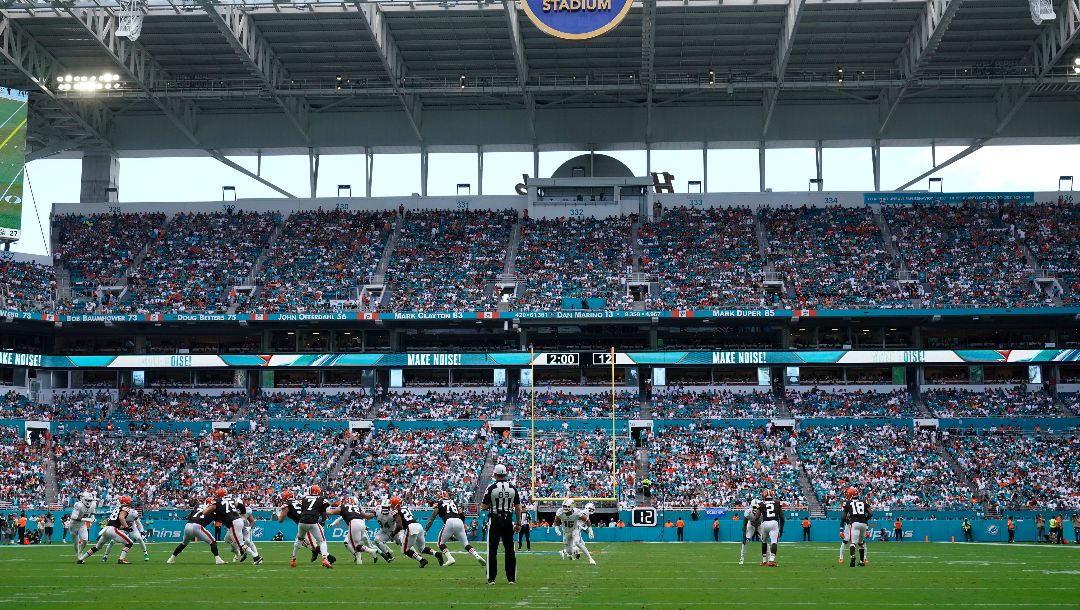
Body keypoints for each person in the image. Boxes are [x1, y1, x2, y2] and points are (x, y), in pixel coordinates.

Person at [480, 464, 522, 585]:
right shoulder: (513, 488)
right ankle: (511, 578)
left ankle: (491, 578)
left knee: (492, 550)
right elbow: (518, 507)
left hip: (495, 519)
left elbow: (483, 506)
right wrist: (518, 522)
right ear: (505, 474)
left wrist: (491, 505)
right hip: (508, 519)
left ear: (495, 474)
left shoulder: (491, 487)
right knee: (510, 550)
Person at [424, 491, 486, 567]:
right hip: (459, 521)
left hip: (449, 521)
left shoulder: (438, 504)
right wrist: (463, 524)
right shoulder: (453, 502)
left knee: (440, 543)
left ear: (440, 496)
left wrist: (426, 529)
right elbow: (462, 515)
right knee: (466, 544)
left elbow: (432, 518)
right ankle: (477, 556)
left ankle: (450, 558)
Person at [166, 496, 226, 565]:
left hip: (188, 525)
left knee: (183, 544)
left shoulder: (198, 506)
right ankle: (218, 559)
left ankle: (171, 559)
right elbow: (219, 518)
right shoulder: (212, 510)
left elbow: (188, 517)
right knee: (212, 541)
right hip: (197, 526)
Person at [211, 488, 264, 565]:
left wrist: (249, 527)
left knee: (247, 542)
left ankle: (256, 556)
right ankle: (240, 552)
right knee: (227, 540)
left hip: (243, 527)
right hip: (235, 526)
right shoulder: (231, 508)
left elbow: (252, 521)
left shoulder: (246, 510)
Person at [77, 496, 135, 564]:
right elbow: (121, 518)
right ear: (126, 502)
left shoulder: (117, 508)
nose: (131, 502)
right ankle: (121, 559)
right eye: (130, 501)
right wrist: (126, 527)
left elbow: (115, 522)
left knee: (97, 547)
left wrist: (124, 527)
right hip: (112, 529)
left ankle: (81, 559)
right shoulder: (125, 508)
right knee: (130, 543)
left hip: (106, 529)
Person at [842, 487, 871, 568]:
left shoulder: (848, 502)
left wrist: (841, 528)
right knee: (861, 543)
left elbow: (843, 517)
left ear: (850, 495)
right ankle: (861, 561)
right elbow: (871, 513)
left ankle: (852, 557)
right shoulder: (864, 501)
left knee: (853, 543)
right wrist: (865, 519)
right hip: (864, 524)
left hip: (855, 523)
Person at [755, 491, 784, 567]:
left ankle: (764, 561)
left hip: (764, 523)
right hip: (774, 523)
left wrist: (756, 527)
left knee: (764, 542)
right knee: (774, 542)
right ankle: (771, 560)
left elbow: (756, 517)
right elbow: (782, 518)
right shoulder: (777, 503)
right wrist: (781, 529)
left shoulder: (761, 504)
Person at [70, 491, 98, 560]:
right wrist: (87, 519)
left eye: (90, 500)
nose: (89, 502)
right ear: (82, 499)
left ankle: (80, 552)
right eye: (87, 500)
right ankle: (77, 553)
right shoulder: (78, 505)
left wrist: (93, 517)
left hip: (82, 525)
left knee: (85, 540)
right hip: (73, 525)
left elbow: (93, 511)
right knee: (76, 542)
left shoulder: (93, 504)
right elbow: (73, 517)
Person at [740, 499, 760, 565]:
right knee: (745, 541)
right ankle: (742, 558)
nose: (755, 508)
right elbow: (744, 524)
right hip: (751, 526)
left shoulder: (763, 511)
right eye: (754, 506)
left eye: (756, 507)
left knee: (764, 541)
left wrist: (758, 530)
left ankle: (769, 559)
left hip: (760, 526)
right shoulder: (748, 512)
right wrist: (744, 536)